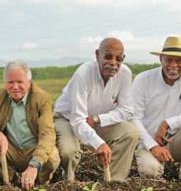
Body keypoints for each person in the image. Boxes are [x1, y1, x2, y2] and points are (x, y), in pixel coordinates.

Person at [53, 37, 138, 182]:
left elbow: (127, 110)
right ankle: (68, 184)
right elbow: (77, 120)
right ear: (98, 54)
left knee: (130, 132)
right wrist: (99, 143)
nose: (113, 63)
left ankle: (114, 183)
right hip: (68, 119)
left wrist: (98, 119)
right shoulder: (83, 74)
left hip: (97, 120)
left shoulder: (125, 73)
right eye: (108, 57)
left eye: (119, 59)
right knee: (69, 151)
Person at [130, 36, 181, 182]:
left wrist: (169, 123)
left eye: (179, 61)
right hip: (149, 141)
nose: (173, 65)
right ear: (161, 59)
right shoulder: (143, 79)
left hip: (177, 140)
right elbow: (134, 118)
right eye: (169, 60)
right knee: (150, 172)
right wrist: (153, 146)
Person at [0, 61, 59, 190]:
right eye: (10, 82)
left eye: (20, 82)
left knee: (51, 157)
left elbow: (47, 134)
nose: (15, 87)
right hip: (11, 149)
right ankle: (13, 180)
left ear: (29, 83)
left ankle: (40, 184)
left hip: (33, 149)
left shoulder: (42, 99)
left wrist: (34, 165)